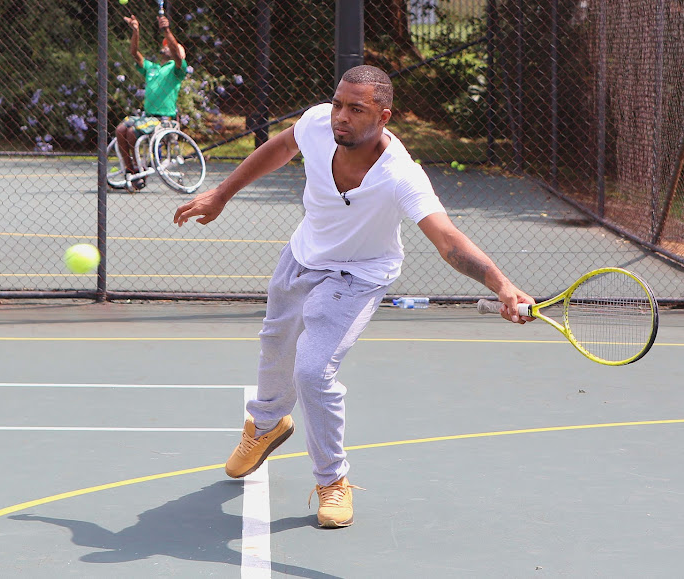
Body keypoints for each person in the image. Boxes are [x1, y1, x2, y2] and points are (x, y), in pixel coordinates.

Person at [173, 65, 535, 528]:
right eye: (339, 103)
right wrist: (222, 195)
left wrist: (502, 285)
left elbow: (446, 238)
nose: (340, 115)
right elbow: (283, 145)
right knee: (275, 347)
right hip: (302, 255)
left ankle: (332, 480)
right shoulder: (318, 124)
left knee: (311, 370)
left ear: (383, 116)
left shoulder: (401, 175)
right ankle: (266, 426)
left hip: (359, 274)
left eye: (355, 109)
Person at [117, 13, 187, 191]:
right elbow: (134, 53)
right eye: (165, 45)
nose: (166, 47)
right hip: (147, 117)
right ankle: (130, 169)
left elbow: (178, 55)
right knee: (121, 129)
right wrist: (135, 31)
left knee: (132, 133)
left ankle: (139, 171)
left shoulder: (177, 70)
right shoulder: (152, 68)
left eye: (170, 46)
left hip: (164, 120)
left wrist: (166, 30)